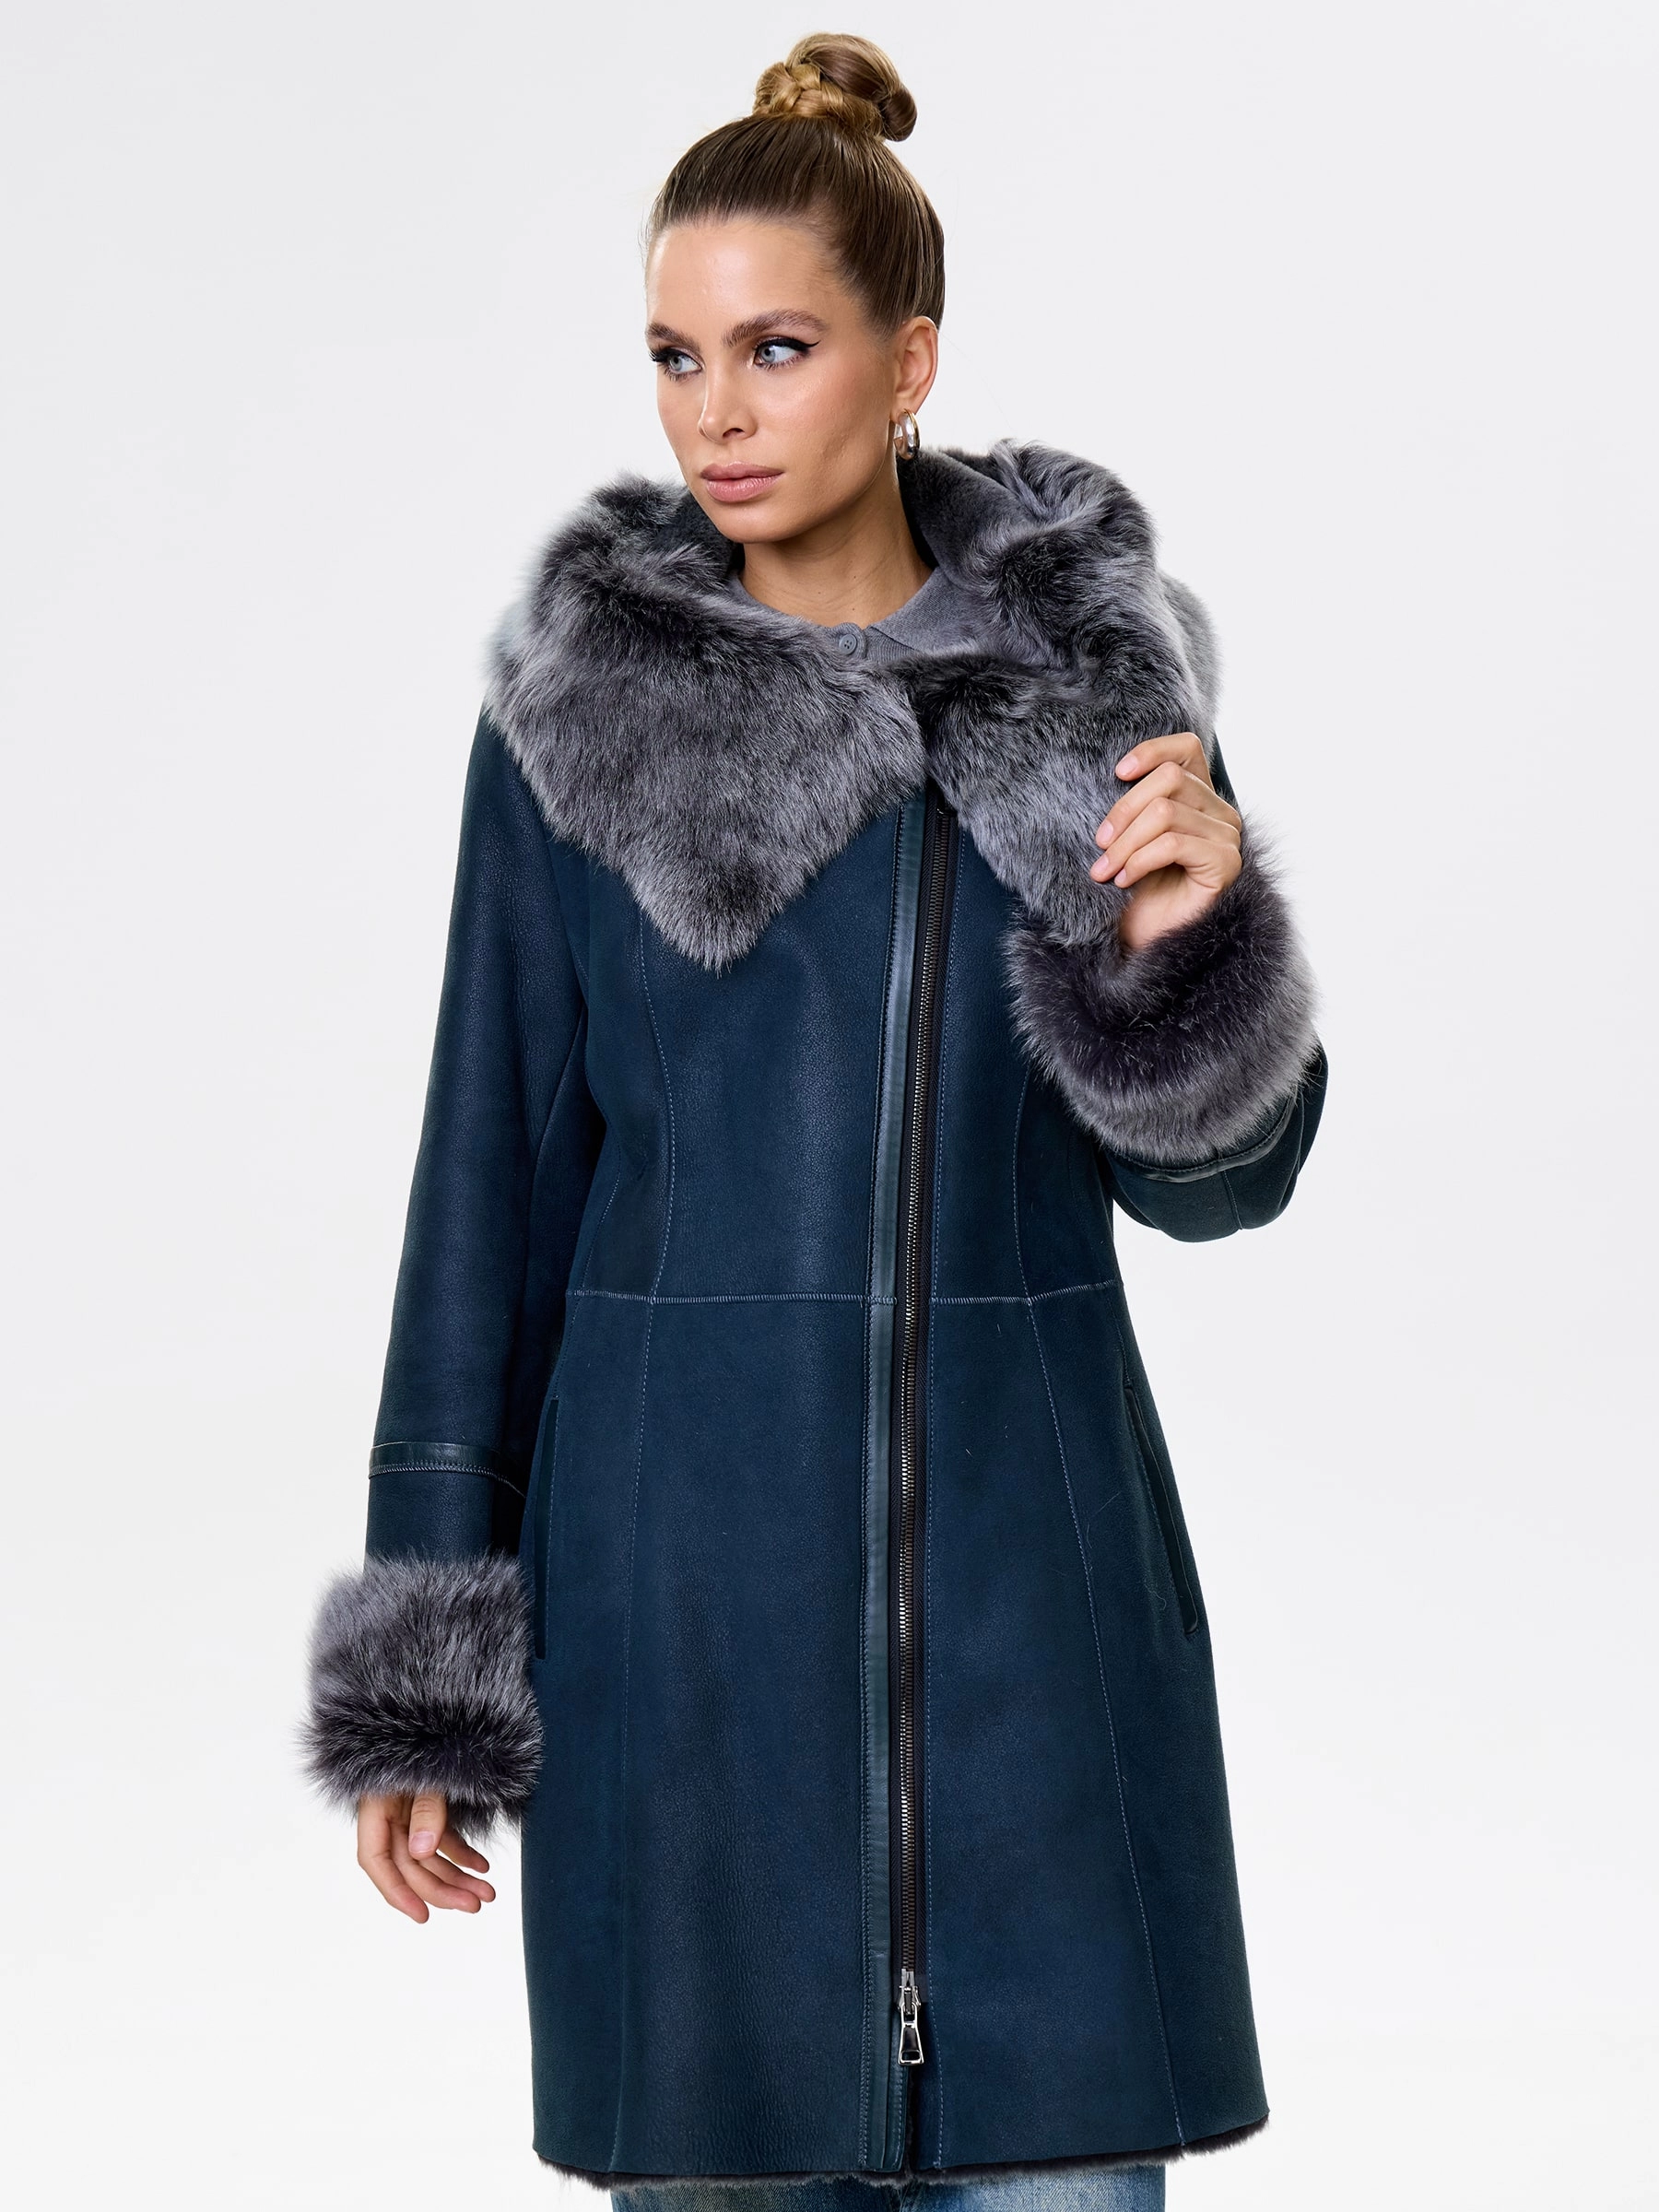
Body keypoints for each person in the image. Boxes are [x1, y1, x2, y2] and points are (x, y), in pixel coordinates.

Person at [304, 32, 1326, 2212]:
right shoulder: (578, 725)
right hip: (683, 1674)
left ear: (908, 361)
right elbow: (485, 1192)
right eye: (677, 357)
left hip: (1042, 1666)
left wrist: (1198, 944)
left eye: (778, 349)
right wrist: (426, 1671)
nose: (720, 413)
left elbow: (1221, 1184)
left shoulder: (1089, 704)